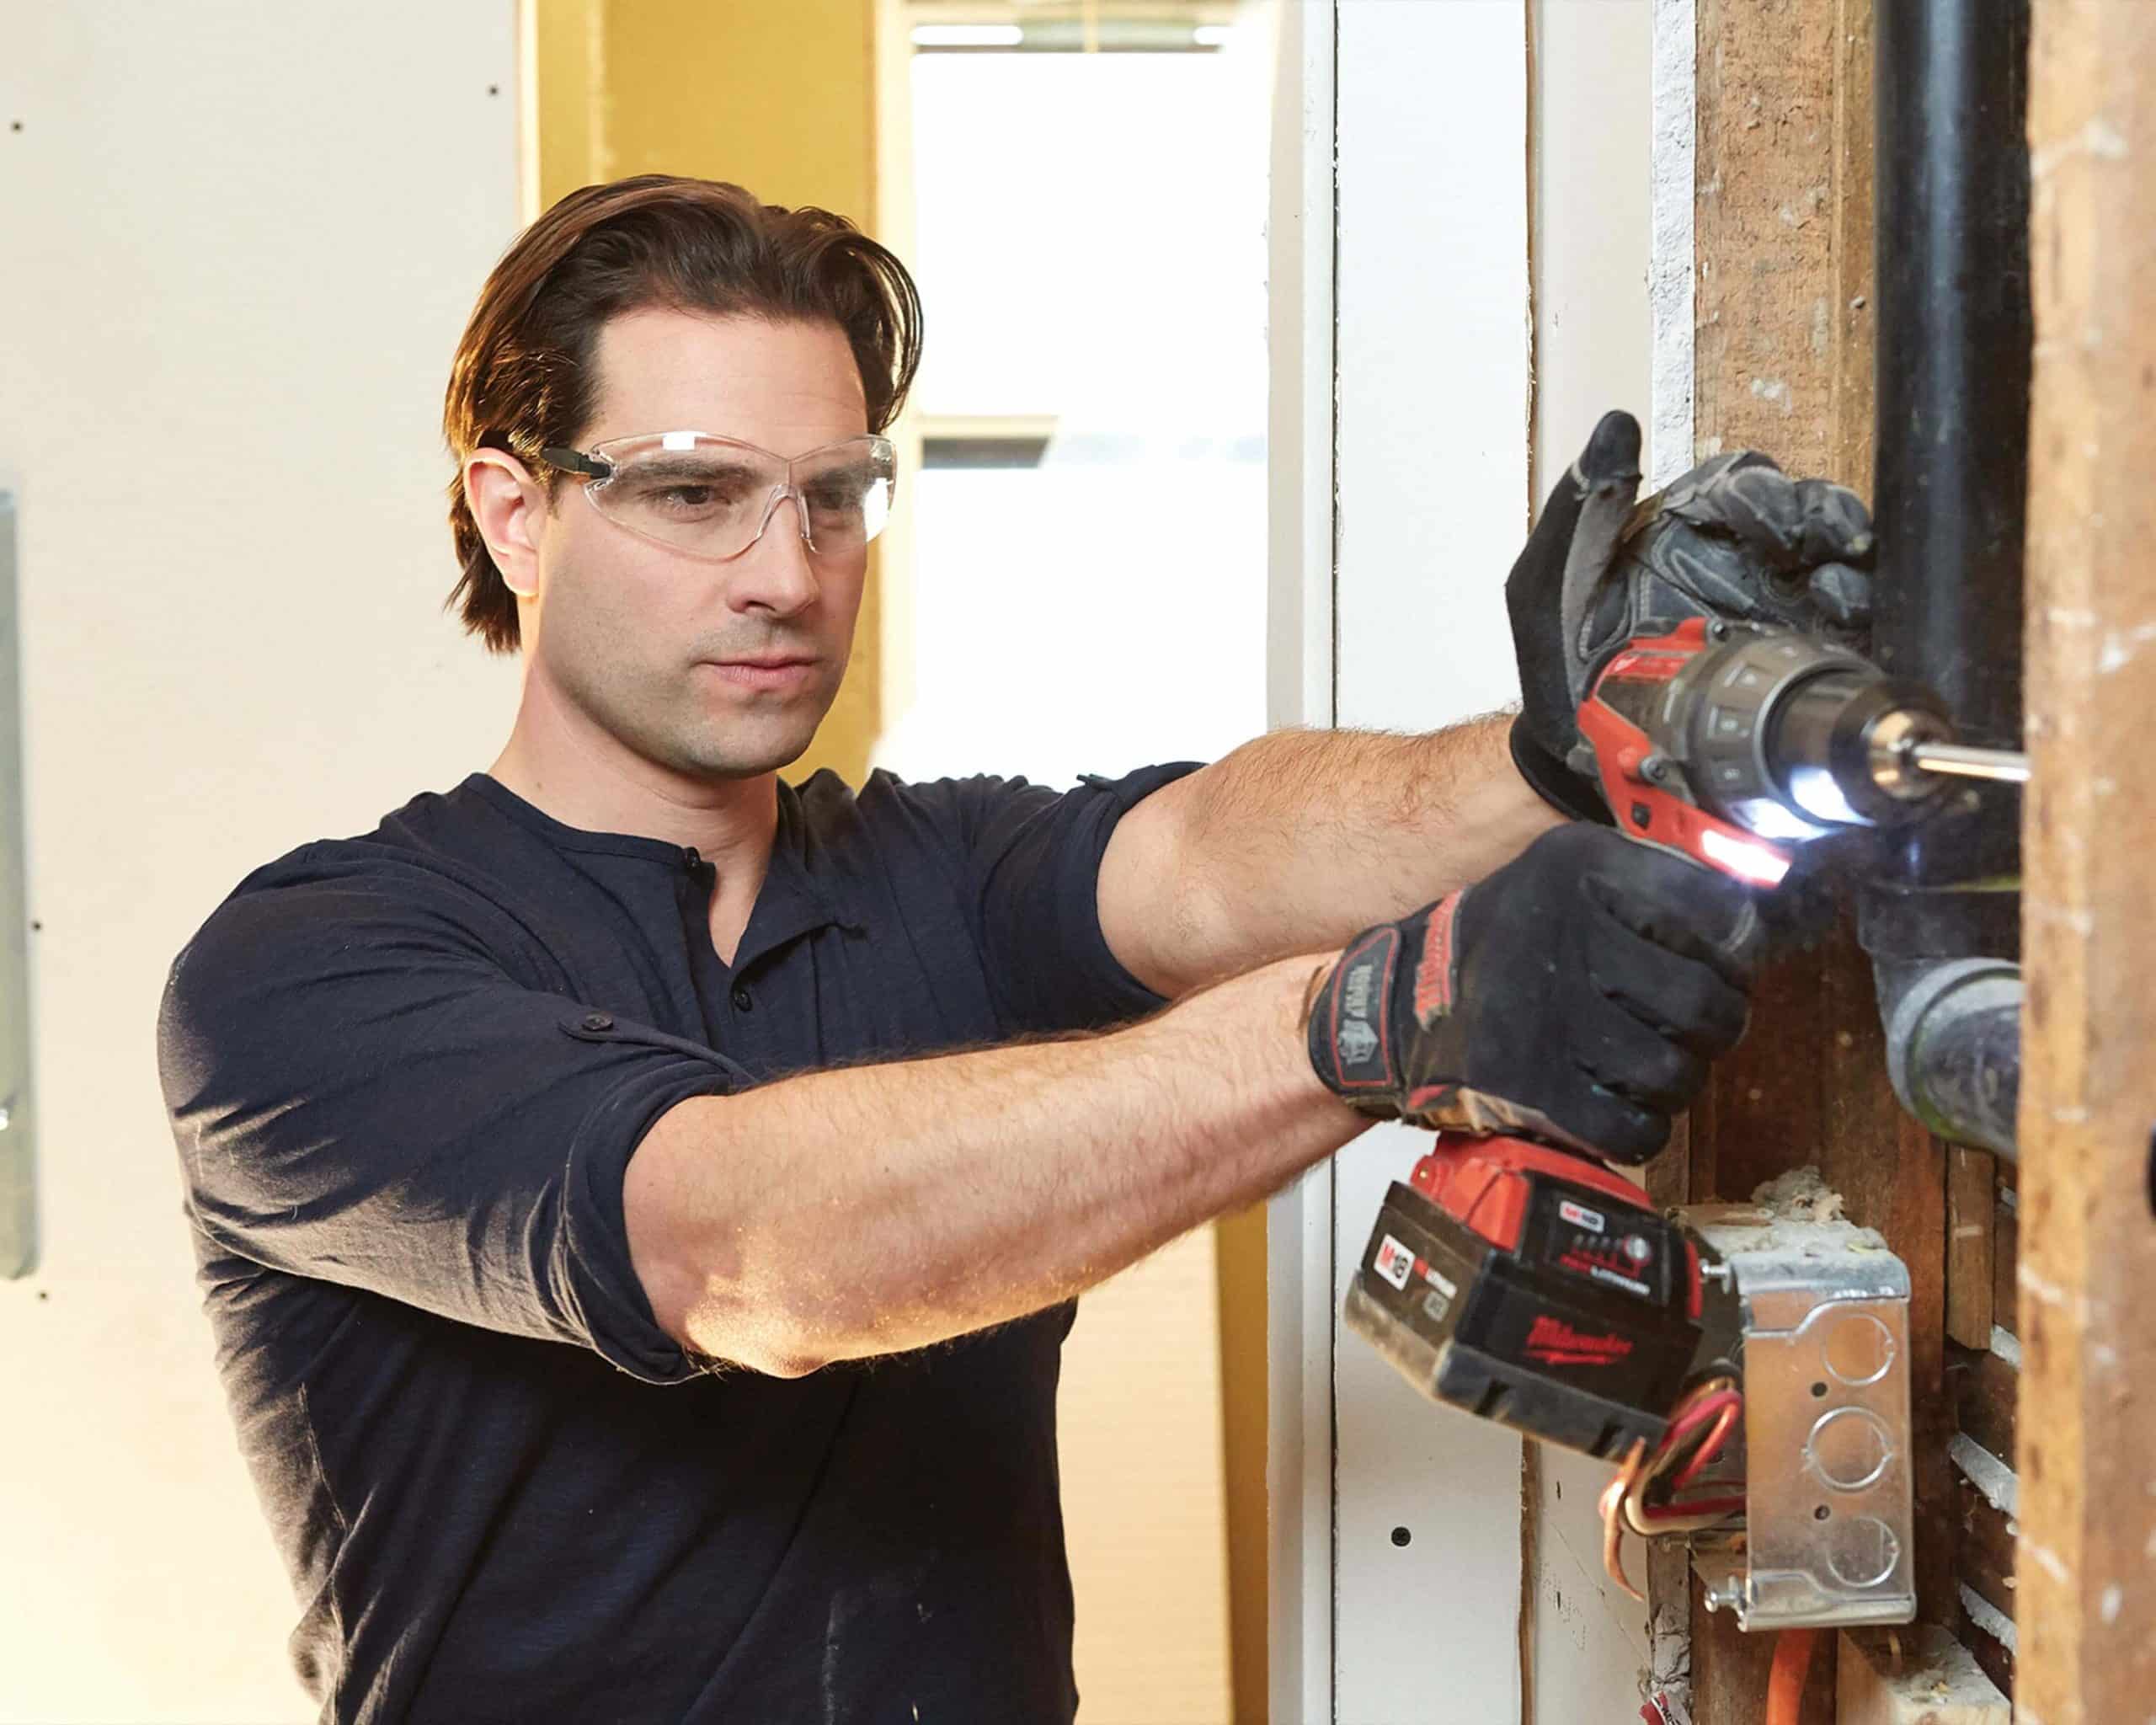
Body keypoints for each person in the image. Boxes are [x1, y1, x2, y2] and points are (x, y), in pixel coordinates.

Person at [157, 176, 1875, 1724]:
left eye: (836, 496)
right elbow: (741, 1251)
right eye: (695, 493)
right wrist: (1371, 1017)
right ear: (514, 512)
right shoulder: (307, 976)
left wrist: (1558, 750)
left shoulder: (934, 872)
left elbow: (1220, 850)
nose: (787, 574)